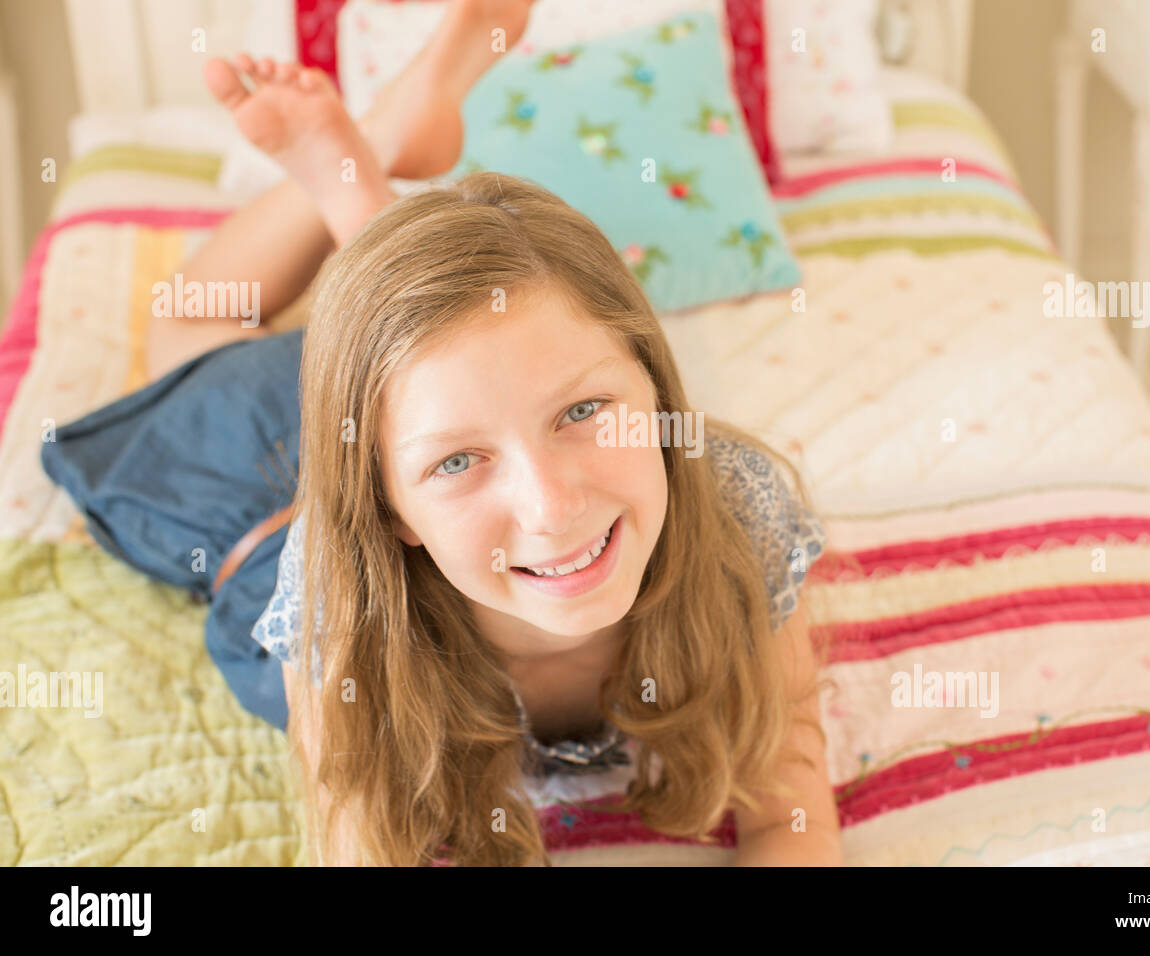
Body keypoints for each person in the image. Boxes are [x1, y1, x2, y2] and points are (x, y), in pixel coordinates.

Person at [43, 0, 841, 867]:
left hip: (416, 412)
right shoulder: (334, 614)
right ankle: (360, 161)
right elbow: (359, 845)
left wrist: (452, 451)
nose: (553, 507)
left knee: (450, 362)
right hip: (275, 488)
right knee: (185, 333)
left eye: (582, 412)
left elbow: (790, 811)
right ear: (385, 510)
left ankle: (364, 170)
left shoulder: (738, 521)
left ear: (655, 384)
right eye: (464, 462)